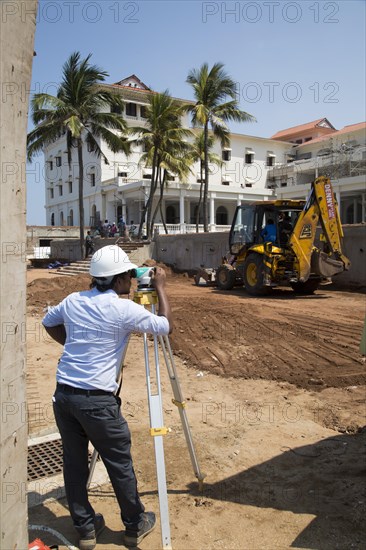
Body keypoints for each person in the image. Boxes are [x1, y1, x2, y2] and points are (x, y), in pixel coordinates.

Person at [42, 245, 173, 549]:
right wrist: (161, 287)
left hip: (64, 396)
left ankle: (86, 529)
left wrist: (73, 346)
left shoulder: (73, 300)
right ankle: (135, 524)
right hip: (97, 402)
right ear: (116, 280)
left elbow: (47, 322)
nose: (130, 279)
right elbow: (165, 326)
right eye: (128, 274)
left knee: (74, 463)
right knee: (119, 463)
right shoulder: (123, 309)